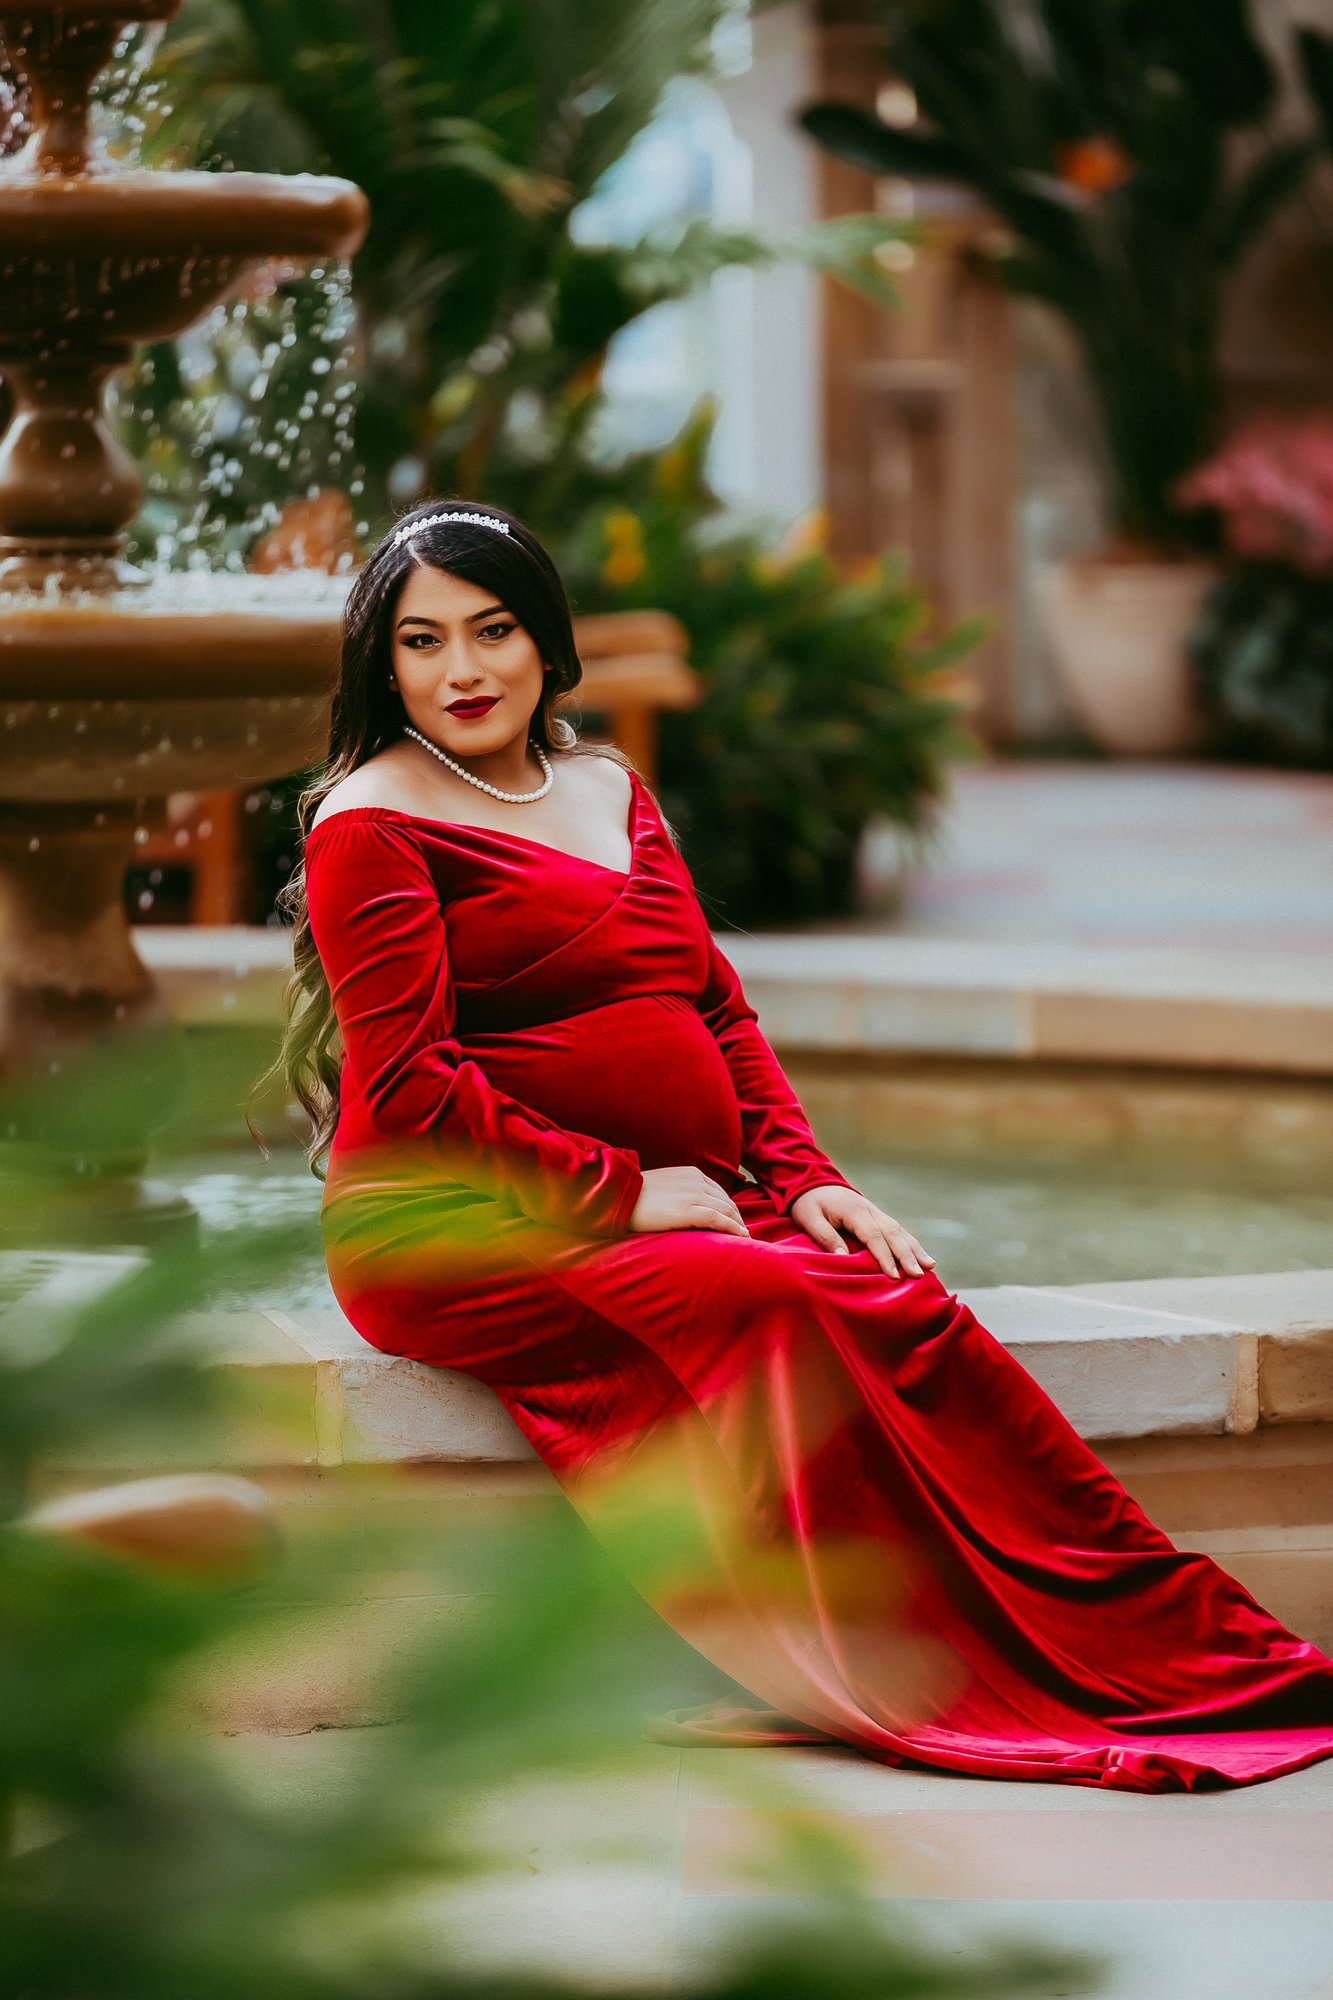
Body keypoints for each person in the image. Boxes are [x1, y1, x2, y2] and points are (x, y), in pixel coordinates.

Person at [274, 499, 1333, 1793]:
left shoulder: (607, 785)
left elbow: (710, 1004)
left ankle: (1143, 1645)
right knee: (764, 1302)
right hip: (450, 1225)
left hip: (676, 1199)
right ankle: (879, 1667)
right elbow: (415, 1087)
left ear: (548, 643)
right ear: (382, 668)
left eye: (491, 632)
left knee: (898, 1299)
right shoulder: (369, 823)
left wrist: (803, 1176)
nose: (462, 671)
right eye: (421, 642)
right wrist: (621, 1193)